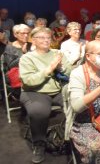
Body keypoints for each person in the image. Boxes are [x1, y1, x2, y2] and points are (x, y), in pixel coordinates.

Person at [19, 27, 72, 163]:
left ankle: (72, 139)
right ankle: (39, 144)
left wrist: (61, 68)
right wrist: (49, 69)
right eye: (42, 37)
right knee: (39, 111)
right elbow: (29, 81)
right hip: (35, 92)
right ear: (34, 40)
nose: (46, 40)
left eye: (48, 37)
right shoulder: (27, 58)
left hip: (58, 90)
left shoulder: (57, 53)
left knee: (77, 104)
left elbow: (69, 71)